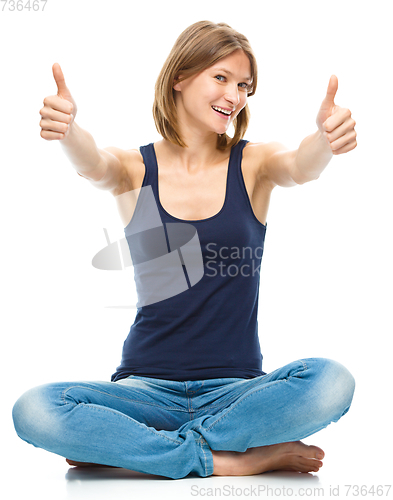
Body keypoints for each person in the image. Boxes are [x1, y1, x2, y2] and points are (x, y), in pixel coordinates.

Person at [12, 20, 357, 480]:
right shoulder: (134, 168)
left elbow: (299, 166)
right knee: (34, 409)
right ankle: (236, 458)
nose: (234, 96)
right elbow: (94, 163)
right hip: (144, 392)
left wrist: (325, 142)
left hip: (235, 394)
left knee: (332, 381)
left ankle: (133, 450)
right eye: (221, 78)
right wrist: (69, 130)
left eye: (244, 86)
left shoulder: (252, 164)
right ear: (180, 77)